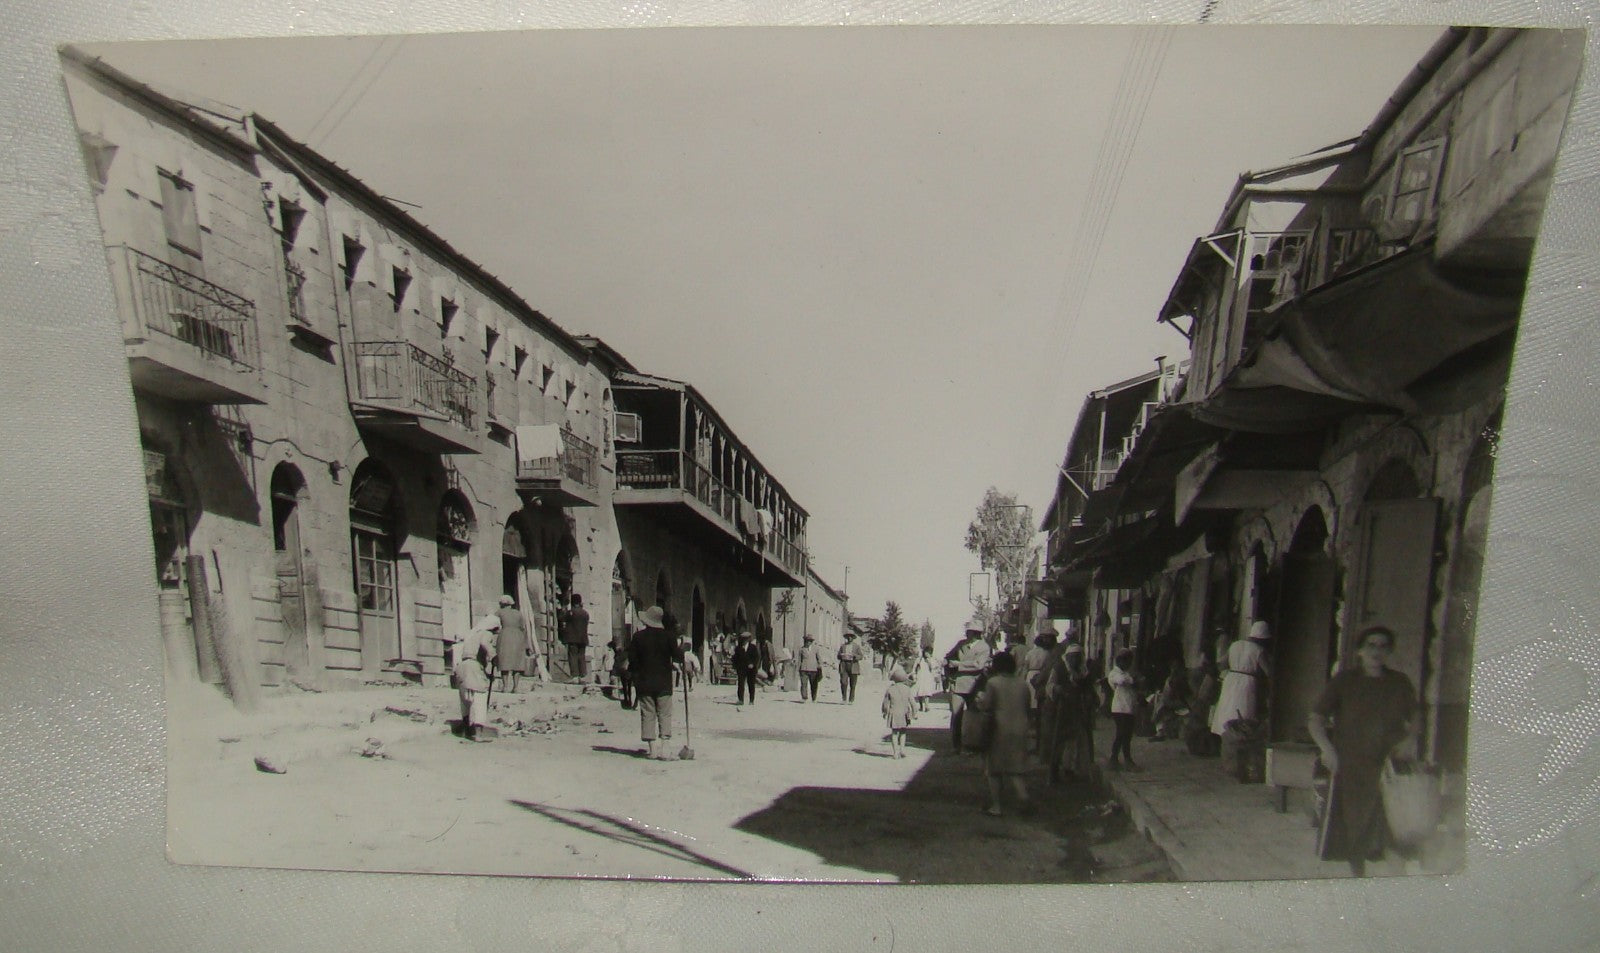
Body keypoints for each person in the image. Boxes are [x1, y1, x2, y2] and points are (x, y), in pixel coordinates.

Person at [1308, 626, 1418, 877]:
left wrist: (1410, 739)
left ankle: (1397, 881)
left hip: (1389, 766)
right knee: (1355, 826)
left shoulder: (1399, 683)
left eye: (1382, 646)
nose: (1376, 651)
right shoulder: (1345, 682)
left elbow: (1416, 716)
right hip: (1352, 766)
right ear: (1359, 650)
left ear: (1389, 651)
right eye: (1370, 645)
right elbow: (1315, 719)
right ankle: (1359, 878)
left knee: (1392, 824)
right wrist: (1327, 749)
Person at [975, 652, 1033, 816]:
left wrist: (979, 700)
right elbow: (1028, 707)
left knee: (994, 769)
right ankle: (1023, 796)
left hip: (999, 728)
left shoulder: (993, 683)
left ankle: (997, 806)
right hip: (1021, 727)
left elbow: (987, 705)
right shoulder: (1023, 684)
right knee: (1016, 767)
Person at [628, 605, 685, 761]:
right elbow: (679, 657)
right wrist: (682, 648)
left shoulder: (638, 637)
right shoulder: (669, 637)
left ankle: (652, 751)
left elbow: (632, 660)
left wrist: (635, 676)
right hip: (664, 683)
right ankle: (665, 750)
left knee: (648, 713)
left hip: (644, 682)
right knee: (664, 714)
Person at [1210, 620, 1272, 738]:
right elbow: (1268, 671)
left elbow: (1222, 664)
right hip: (1247, 681)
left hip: (1231, 678)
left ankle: (1225, 735)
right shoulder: (1258, 650)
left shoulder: (1235, 645)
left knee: (1228, 707)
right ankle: (1240, 737)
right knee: (1244, 709)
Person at [945, 621, 993, 753]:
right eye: (967, 631)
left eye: (969, 631)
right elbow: (949, 656)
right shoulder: (961, 644)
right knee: (956, 716)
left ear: (976, 633)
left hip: (975, 685)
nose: (967, 633)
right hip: (958, 684)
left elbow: (979, 665)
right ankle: (956, 745)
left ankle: (974, 745)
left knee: (975, 716)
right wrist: (947, 665)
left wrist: (958, 665)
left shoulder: (984, 647)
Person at [454, 614, 500, 742]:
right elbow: (485, 644)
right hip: (473, 666)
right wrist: (494, 656)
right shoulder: (486, 633)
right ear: (494, 628)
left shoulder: (472, 634)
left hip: (463, 666)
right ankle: (478, 733)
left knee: (466, 698)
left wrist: (486, 674)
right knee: (480, 699)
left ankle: (466, 729)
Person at [1106, 649, 1140, 771]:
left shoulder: (1126, 673)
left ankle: (1121, 759)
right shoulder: (1115, 673)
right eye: (1127, 661)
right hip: (1119, 709)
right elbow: (1120, 681)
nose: (1129, 664)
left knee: (1127, 735)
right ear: (1120, 661)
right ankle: (1118, 759)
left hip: (1128, 708)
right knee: (1121, 734)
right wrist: (1133, 680)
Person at [494, 594, 529, 693]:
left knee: (504, 661)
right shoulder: (518, 613)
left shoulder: (499, 612)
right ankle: (516, 687)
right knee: (517, 662)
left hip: (505, 636)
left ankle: (505, 687)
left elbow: (493, 623)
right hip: (518, 637)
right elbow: (523, 627)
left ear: (502, 604)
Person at [882, 667, 916, 758]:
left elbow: (885, 704)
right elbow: (913, 703)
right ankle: (902, 749)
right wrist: (914, 713)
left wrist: (884, 712)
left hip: (893, 714)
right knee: (903, 733)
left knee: (894, 733)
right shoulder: (907, 689)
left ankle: (895, 752)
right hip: (904, 714)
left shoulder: (890, 689)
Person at [559, 593, 590, 683]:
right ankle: (583, 676)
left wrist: (564, 608)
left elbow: (561, 618)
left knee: (573, 656)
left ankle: (575, 676)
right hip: (583, 639)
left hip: (573, 639)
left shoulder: (571, 613)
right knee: (581, 656)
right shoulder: (585, 613)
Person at [732, 630, 762, 706]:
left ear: (749, 639)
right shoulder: (738, 648)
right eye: (743, 639)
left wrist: (753, 664)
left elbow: (757, 658)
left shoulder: (753, 647)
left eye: (746, 639)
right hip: (741, 669)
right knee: (741, 684)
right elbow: (735, 658)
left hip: (751, 670)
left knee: (751, 684)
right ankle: (741, 700)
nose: (744, 640)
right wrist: (735, 667)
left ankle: (751, 700)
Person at [608, 627, 634, 710]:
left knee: (625, 685)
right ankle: (628, 700)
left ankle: (627, 700)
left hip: (624, 669)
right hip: (627, 669)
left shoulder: (619, 652)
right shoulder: (627, 651)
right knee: (628, 685)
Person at [837, 631, 865, 703]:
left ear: (853, 638)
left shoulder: (856, 646)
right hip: (844, 665)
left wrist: (854, 656)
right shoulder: (843, 646)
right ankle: (844, 699)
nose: (849, 638)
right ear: (846, 638)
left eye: (851, 637)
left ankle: (851, 700)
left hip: (853, 666)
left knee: (852, 684)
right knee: (843, 682)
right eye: (848, 637)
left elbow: (861, 656)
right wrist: (841, 655)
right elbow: (838, 655)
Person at [797, 634, 824, 702]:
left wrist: (820, 665)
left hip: (813, 670)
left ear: (811, 642)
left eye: (809, 641)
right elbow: (799, 660)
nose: (808, 642)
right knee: (803, 684)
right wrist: (798, 669)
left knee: (814, 684)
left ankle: (814, 698)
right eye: (806, 641)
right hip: (804, 669)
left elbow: (819, 658)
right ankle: (804, 698)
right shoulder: (801, 649)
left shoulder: (815, 649)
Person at [911, 648, 935, 713]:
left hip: (927, 677)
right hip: (920, 676)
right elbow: (914, 668)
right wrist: (914, 676)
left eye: (928, 653)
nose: (926, 654)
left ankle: (927, 706)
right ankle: (921, 706)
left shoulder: (931, 660)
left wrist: (929, 662)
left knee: (927, 692)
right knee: (920, 692)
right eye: (926, 652)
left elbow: (932, 668)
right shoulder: (919, 659)